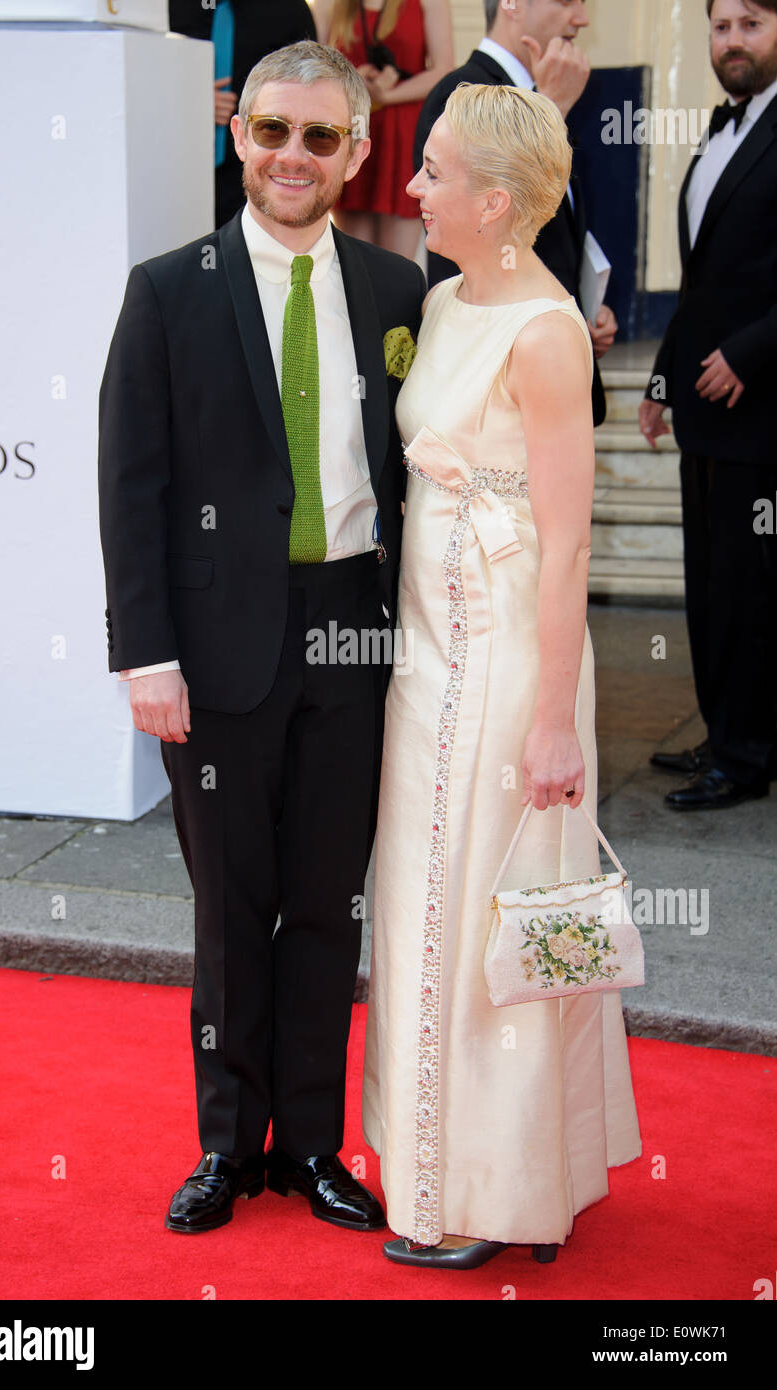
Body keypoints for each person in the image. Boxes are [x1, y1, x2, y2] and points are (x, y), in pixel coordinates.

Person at [98, 40, 425, 1236]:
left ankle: (314, 1147)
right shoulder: (167, 288)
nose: (293, 155)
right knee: (230, 908)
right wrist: (147, 654)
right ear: (239, 138)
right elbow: (130, 483)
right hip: (216, 644)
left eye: (320, 137)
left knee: (327, 905)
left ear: (353, 151)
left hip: (353, 631)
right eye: (272, 131)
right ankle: (228, 1149)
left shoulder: (400, 293)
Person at [363, 83, 641, 1268]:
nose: (412, 188)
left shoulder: (547, 331)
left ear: (496, 199)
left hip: (510, 660)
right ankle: (459, 1163)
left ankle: (492, 1186)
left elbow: (570, 539)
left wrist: (553, 723)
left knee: (491, 914)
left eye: (431, 172)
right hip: (425, 654)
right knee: (426, 901)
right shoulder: (439, 297)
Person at [640, 0, 777, 812]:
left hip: (762, 411)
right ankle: (727, 731)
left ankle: (748, 755)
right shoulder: (719, 134)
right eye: (722, 27)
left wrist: (749, 355)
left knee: (750, 588)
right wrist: (662, 376)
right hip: (704, 408)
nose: (732, 42)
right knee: (715, 584)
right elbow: (702, 284)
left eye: (751, 25)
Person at [414, 0, 616, 425]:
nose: (581, 18)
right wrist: (551, 111)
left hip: (547, 364)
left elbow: (544, 230)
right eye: (566, 1)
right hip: (490, 381)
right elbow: (466, 238)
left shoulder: (543, 90)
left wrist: (579, 305)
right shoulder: (462, 95)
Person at [314, 0, 454, 256]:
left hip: (403, 133)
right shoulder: (329, 4)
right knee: (353, 258)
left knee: (396, 261)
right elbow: (316, 67)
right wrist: (354, 78)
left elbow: (444, 69)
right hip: (354, 127)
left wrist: (386, 96)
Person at [168, 0, 317, 228]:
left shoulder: (290, 10)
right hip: (171, 168)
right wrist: (187, 100)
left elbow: (308, 92)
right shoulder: (164, 6)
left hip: (256, 172)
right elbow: (134, 72)